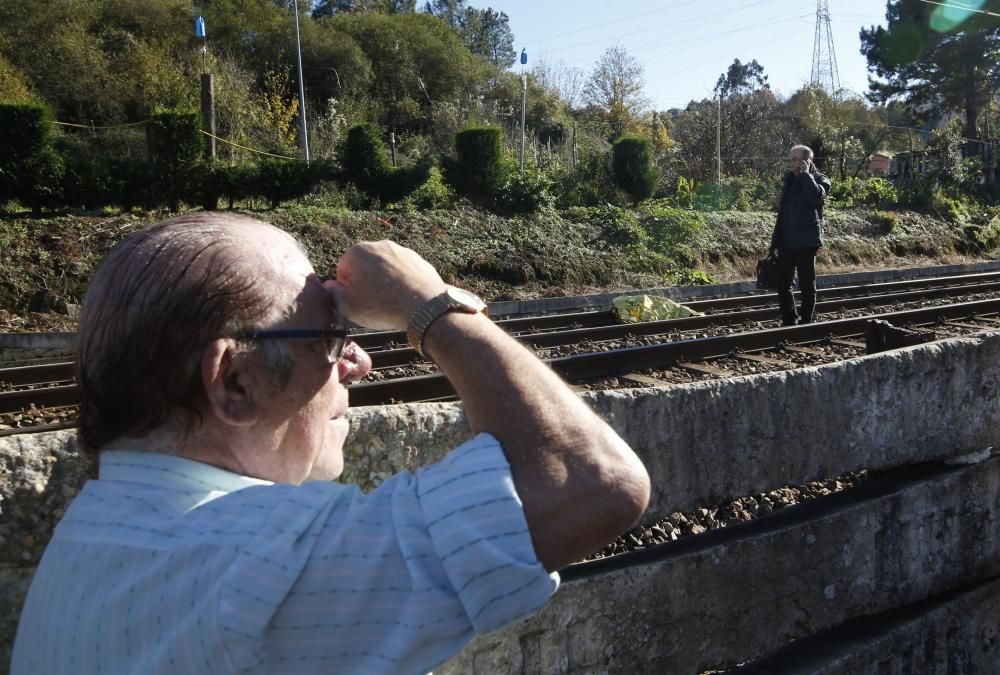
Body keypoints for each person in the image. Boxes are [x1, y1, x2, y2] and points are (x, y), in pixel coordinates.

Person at [11, 213, 650, 674]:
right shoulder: (262, 565)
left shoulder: (87, 541)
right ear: (233, 382)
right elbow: (591, 479)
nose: (359, 362)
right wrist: (430, 308)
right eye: (328, 337)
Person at [768, 144, 832, 325]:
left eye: (797, 160)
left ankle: (806, 321)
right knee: (783, 284)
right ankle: (789, 321)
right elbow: (783, 213)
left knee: (806, 284)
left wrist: (805, 175)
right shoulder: (789, 180)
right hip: (786, 240)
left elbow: (816, 197)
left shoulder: (821, 179)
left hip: (806, 241)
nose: (793, 164)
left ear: (807, 161)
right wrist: (775, 241)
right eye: (791, 160)